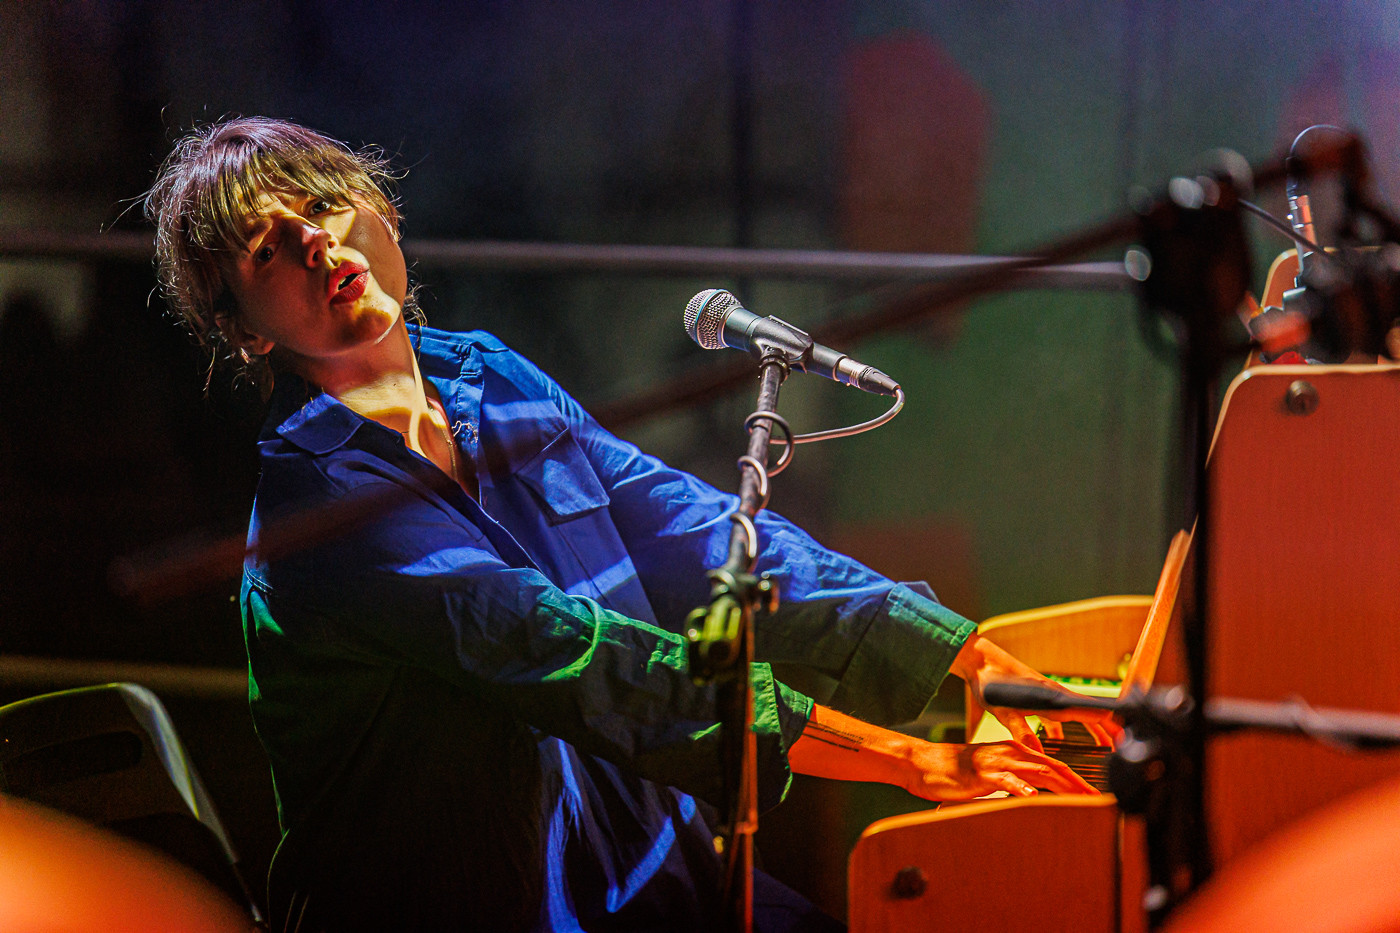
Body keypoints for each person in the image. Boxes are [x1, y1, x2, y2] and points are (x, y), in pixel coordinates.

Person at [145, 117, 1114, 933]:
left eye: (321, 206)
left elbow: (694, 531)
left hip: (642, 865)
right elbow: (576, 656)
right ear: (246, 329)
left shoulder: (489, 376)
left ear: (381, 211)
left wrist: (967, 662)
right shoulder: (323, 508)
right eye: (266, 249)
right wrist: (912, 755)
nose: (314, 243)